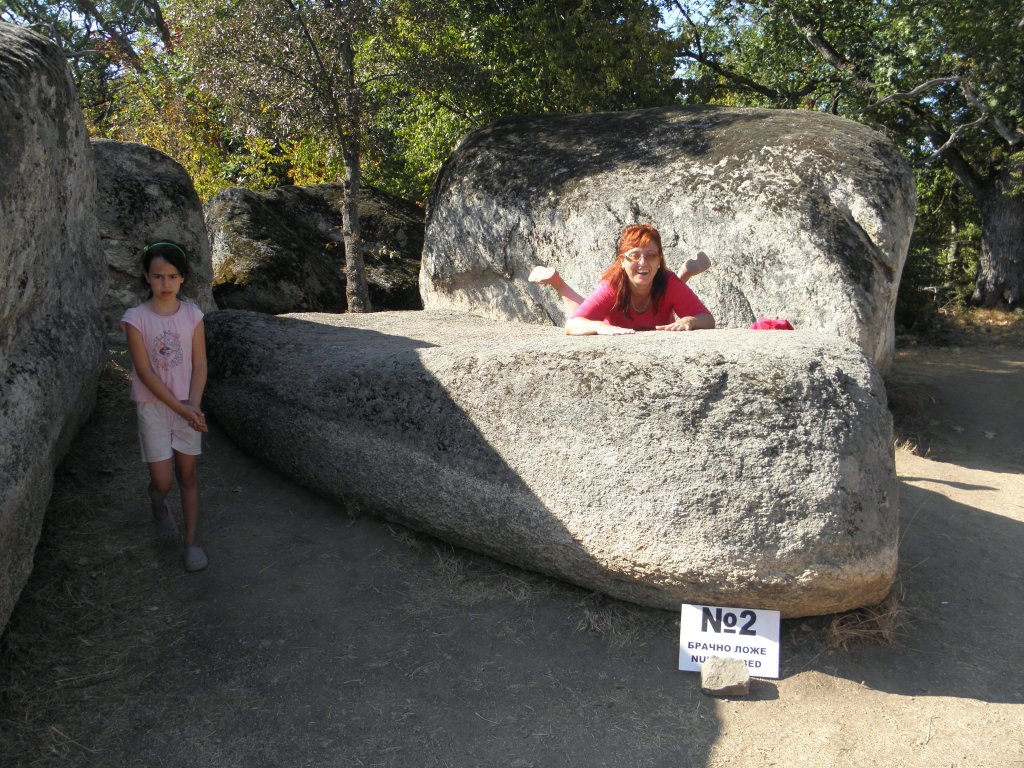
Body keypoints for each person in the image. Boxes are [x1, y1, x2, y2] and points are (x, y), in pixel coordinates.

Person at [120, 241, 209, 572]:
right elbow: (145, 373)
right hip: (154, 408)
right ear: (147, 277)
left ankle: (191, 543)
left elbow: (200, 364)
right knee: (163, 482)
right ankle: (157, 501)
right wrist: (183, 410)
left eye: (172, 276)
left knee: (187, 475)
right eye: (158, 276)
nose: (165, 283)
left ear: (183, 278)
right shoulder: (135, 319)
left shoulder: (193, 316)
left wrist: (193, 405)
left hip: (188, 404)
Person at [529, 224, 715, 335]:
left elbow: (707, 319)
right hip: (615, 315)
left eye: (651, 256)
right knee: (581, 310)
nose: (642, 262)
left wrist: (691, 320)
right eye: (634, 255)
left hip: (663, 285)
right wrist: (598, 325)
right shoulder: (612, 286)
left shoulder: (668, 282)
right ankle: (557, 282)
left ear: (660, 260)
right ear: (622, 261)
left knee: (662, 283)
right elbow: (572, 324)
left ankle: (684, 274)